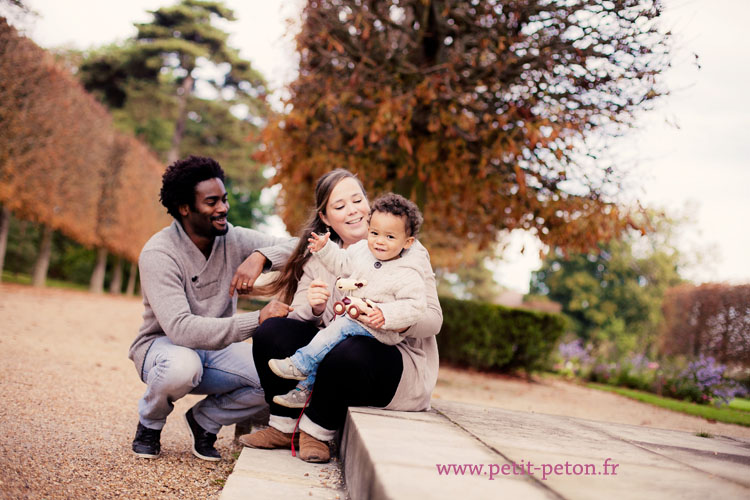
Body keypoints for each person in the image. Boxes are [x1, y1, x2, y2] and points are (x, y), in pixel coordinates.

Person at [238, 170, 442, 463]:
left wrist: (391, 317)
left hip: (388, 357)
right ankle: (283, 427)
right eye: (340, 206)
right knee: (271, 331)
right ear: (325, 217)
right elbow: (298, 316)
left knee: (350, 349)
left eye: (358, 199)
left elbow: (433, 320)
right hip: (332, 351)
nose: (353, 210)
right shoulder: (323, 256)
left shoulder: (407, 251)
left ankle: (316, 432)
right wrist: (315, 308)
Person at [128, 155, 294, 461]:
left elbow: (301, 245)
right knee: (182, 367)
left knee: (276, 376)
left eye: (224, 199)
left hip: (216, 349)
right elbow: (181, 328)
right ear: (184, 207)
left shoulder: (232, 237)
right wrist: (256, 319)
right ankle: (150, 424)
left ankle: (204, 421)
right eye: (212, 202)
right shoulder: (159, 253)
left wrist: (261, 256)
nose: (223, 209)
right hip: (164, 347)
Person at [268, 193, 428, 409]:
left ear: (407, 242)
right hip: (354, 320)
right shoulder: (362, 251)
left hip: (379, 330)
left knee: (338, 329)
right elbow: (341, 263)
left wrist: (386, 314)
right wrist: (325, 249)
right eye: (374, 233)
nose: (380, 241)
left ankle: (300, 363)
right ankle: (303, 392)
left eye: (390, 237)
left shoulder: (407, 272)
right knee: (330, 344)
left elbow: (415, 305)